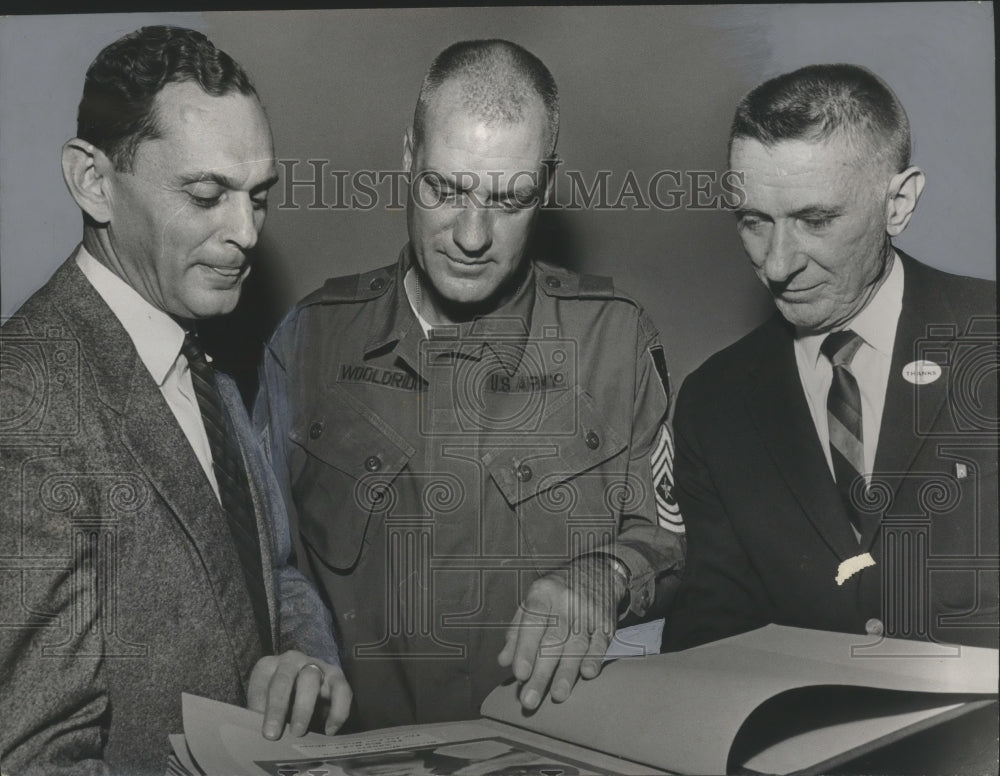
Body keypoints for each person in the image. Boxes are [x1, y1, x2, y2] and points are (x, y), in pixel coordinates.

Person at [255, 38, 685, 730]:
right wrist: (302, 646)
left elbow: (669, 540)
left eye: (509, 200)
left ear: (545, 186)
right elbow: (267, 556)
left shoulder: (616, 342)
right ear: (408, 158)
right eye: (445, 189)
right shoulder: (307, 341)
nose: (472, 235)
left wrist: (603, 577)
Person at [0, 26, 351, 775]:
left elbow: (274, 569)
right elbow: (36, 758)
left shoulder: (204, 357)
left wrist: (306, 656)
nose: (247, 232)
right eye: (206, 195)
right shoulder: (25, 400)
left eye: (259, 197)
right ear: (93, 181)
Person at [662, 64, 997, 652]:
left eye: (814, 220)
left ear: (898, 203)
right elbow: (710, 637)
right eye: (753, 222)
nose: (775, 264)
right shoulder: (713, 403)